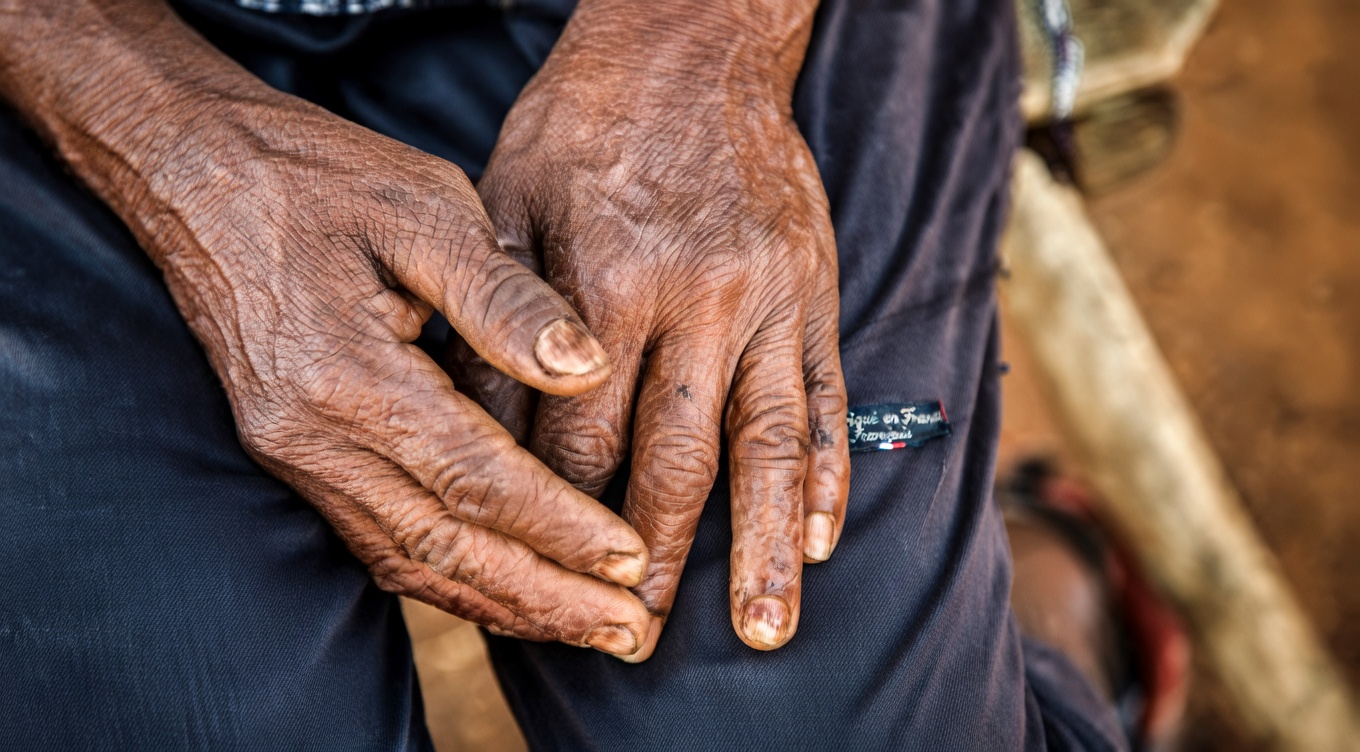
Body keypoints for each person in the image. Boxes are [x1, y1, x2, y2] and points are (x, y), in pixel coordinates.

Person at [0, 0, 1128, 749]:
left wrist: (705, 41)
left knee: (810, 709)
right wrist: (159, 134)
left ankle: (1028, 608)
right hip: (80, 71)